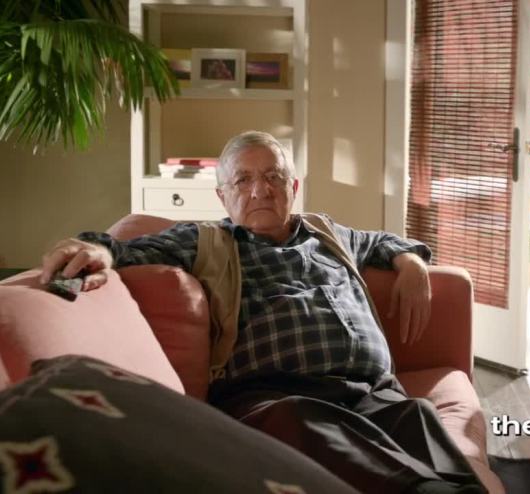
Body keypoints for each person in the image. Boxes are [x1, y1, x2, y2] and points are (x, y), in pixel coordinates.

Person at [39, 131, 486, 494]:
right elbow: (128, 248)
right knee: (301, 421)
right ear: (222, 196)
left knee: (418, 415)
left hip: (371, 391)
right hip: (276, 394)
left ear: (293, 187)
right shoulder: (206, 240)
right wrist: (94, 249)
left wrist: (411, 263)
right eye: (243, 180)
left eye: (274, 176)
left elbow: (385, 242)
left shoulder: (327, 232)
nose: (260, 190)